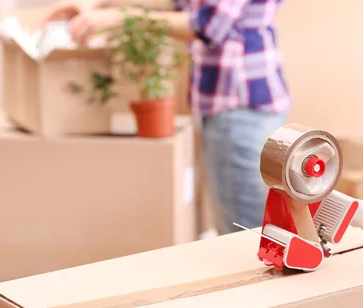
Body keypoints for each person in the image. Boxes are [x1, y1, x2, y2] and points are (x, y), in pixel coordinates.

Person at [43, 0, 291, 235]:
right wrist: (95, 8)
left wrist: (116, 18)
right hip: (229, 103)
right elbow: (180, 8)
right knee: (240, 227)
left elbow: (208, 26)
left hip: (240, 104)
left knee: (246, 235)